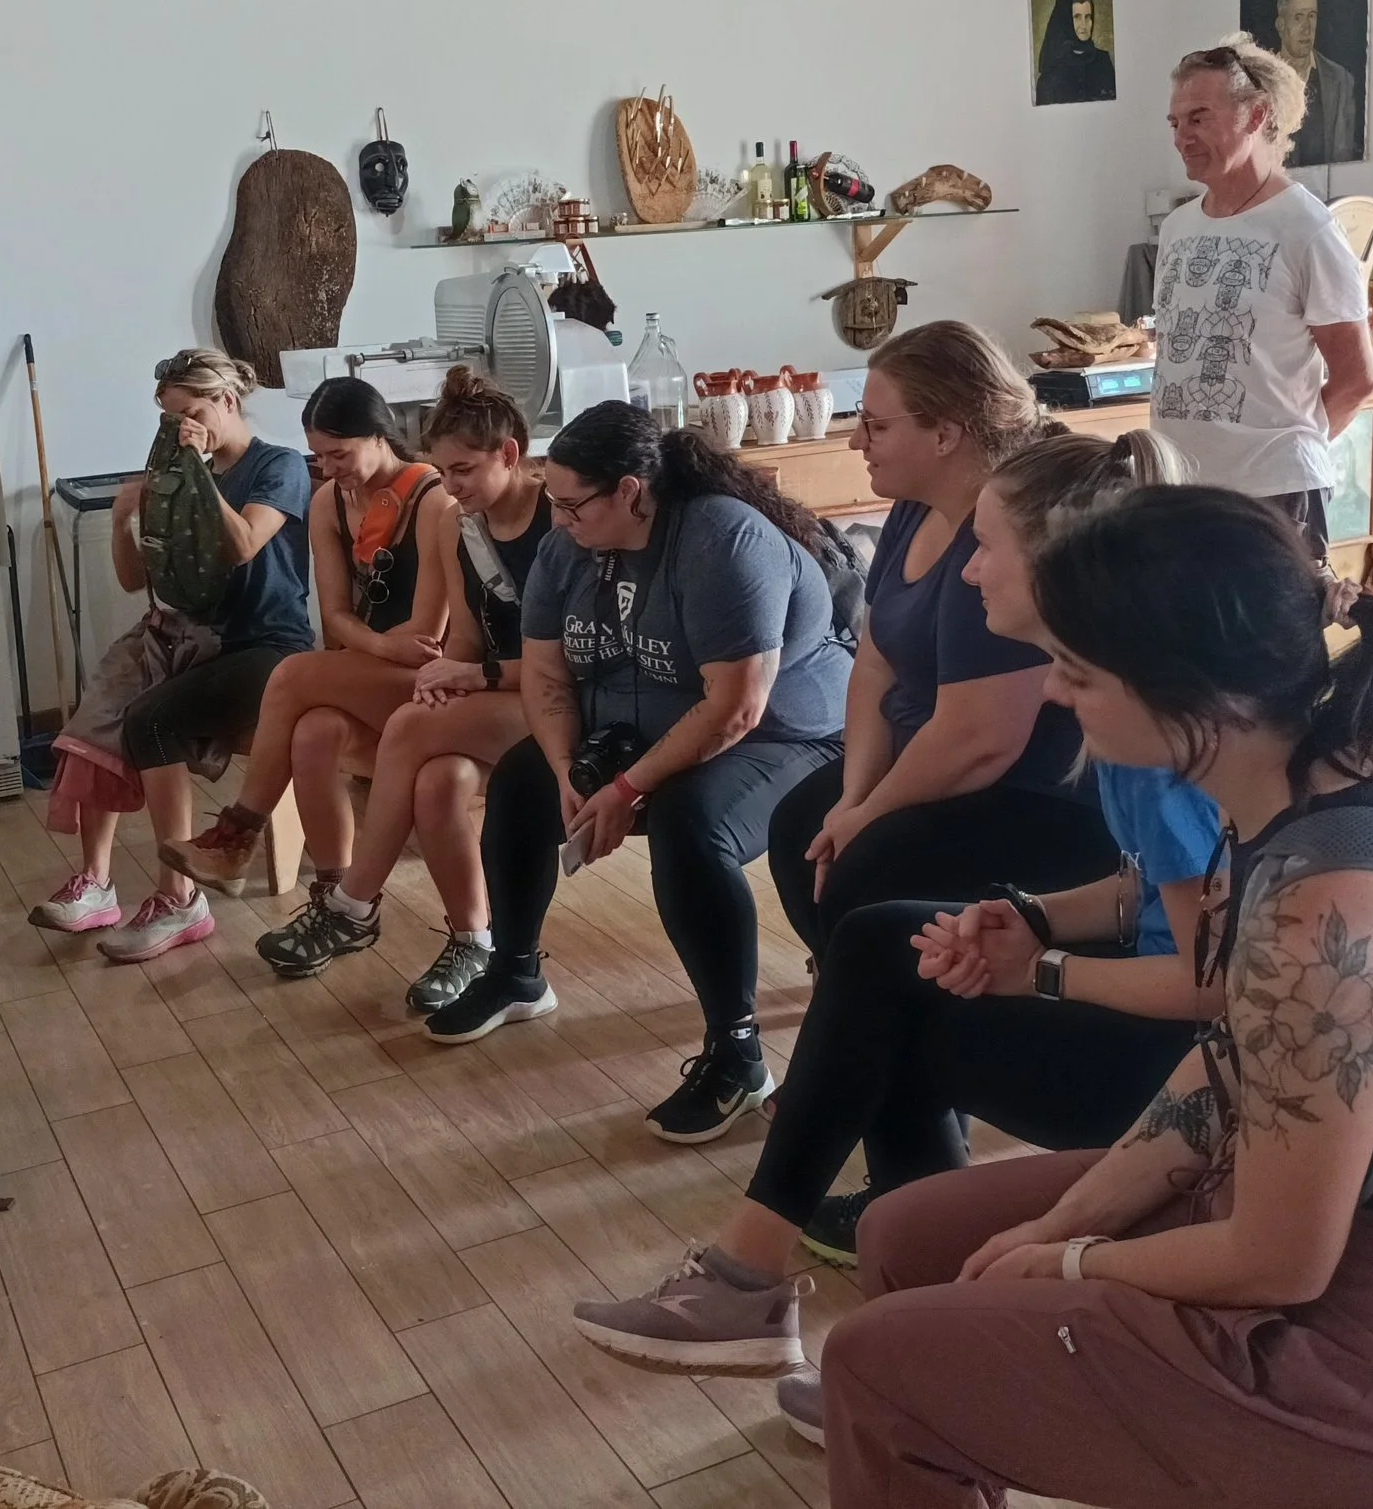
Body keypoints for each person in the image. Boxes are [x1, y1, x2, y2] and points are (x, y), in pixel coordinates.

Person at [808, 487, 1373, 1505]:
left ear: (1188, 697)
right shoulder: (1311, 778)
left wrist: (1071, 1263)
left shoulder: (1329, 917)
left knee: (874, 1367)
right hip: (1312, 1223)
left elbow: (1279, 1262)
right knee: (904, 1237)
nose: (1056, 692)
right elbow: (1234, 1052)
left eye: (1078, 673)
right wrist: (1064, 1220)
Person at [569, 430, 1221, 1366]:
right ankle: (884, 1329)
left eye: (987, 548)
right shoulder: (1120, 693)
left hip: (1187, 1068)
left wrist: (1040, 971)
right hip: (1156, 1011)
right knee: (891, 950)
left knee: (886, 1016)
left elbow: (1214, 985)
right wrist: (1031, 917)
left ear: (1058, 565)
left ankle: (816, 1311)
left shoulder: (1144, 730)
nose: (970, 571)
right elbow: (1147, 892)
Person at [427, 400, 853, 1144]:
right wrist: (568, 770)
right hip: (658, 720)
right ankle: (517, 972)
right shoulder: (570, 545)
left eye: (573, 505)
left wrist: (628, 788)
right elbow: (546, 675)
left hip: (788, 734)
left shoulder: (723, 540)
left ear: (630, 491)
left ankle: (737, 1052)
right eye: (554, 501)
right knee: (526, 778)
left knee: (692, 823)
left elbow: (735, 709)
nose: (558, 520)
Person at [764, 321, 1112, 957]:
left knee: (865, 867)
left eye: (876, 425)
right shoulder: (915, 505)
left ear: (946, 434)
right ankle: (854, 981)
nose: (856, 440)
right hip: (923, 758)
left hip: (1026, 792)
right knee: (798, 827)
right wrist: (853, 798)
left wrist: (867, 816)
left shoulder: (1008, 541)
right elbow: (873, 665)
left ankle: (880, 988)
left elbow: (978, 741)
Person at [249, 367, 544, 1012]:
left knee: (387, 716)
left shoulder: (557, 520)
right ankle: (475, 942)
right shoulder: (463, 523)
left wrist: (468, 678)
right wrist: (446, 682)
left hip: (556, 703)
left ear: (509, 454)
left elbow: (569, 664)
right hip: (493, 694)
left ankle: (350, 904)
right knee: (437, 779)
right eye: (445, 470)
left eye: (463, 470)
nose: (452, 485)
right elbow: (463, 638)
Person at [28, 347, 313, 961]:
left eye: (194, 414)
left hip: (266, 645)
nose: (184, 429)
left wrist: (195, 475)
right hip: (193, 635)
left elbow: (243, 545)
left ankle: (179, 897)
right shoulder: (184, 471)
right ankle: (96, 884)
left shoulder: (279, 465)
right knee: (96, 718)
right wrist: (123, 520)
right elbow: (137, 579)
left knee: (150, 720)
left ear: (227, 401)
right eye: (173, 419)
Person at [157, 377, 457, 898]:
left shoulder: (433, 498)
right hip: (375, 665)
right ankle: (335, 894)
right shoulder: (329, 503)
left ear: (379, 435)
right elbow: (334, 618)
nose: (329, 469)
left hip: (435, 678)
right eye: (319, 456)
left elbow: (425, 636)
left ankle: (237, 835)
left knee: (292, 673)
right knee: (313, 733)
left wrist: (370, 645)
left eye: (340, 454)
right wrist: (379, 645)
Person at [1152, 34, 1373, 555]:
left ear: (1255, 115)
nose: (1183, 137)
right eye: (1175, 123)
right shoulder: (1177, 228)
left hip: (1273, 497)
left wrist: (1286, 453)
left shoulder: (1306, 228)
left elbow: (1356, 379)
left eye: (1199, 118)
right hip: (1179, 492)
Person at [1273, 0, 1363, 166]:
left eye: (1312, 16)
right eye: (1298, 17)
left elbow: (1344, 157)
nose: (1306, 28)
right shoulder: (1260, 82)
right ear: (1281, 25)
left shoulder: (1341, 81)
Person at [1034, 0, 1117, 105]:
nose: (1084, 25)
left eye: (1087, 17)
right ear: (1066, 21)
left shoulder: (1104, 62)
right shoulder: (1050, 76)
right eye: (1077, 17)